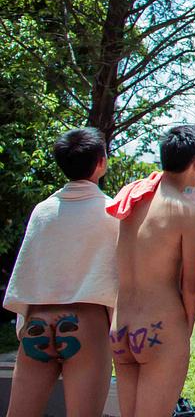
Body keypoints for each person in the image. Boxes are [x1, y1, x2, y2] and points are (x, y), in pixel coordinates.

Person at [3, 128, 118, 417]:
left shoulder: (42, 211)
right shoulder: (112, 212)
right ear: (101, 162)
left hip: (37, 322)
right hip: (86, 323)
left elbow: (27, 272)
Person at [108, 125, 195, 417]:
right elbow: (192, 286)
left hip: (121, 326)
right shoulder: (187, 212)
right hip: (160, 328)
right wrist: (184, 332)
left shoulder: (131, 198)